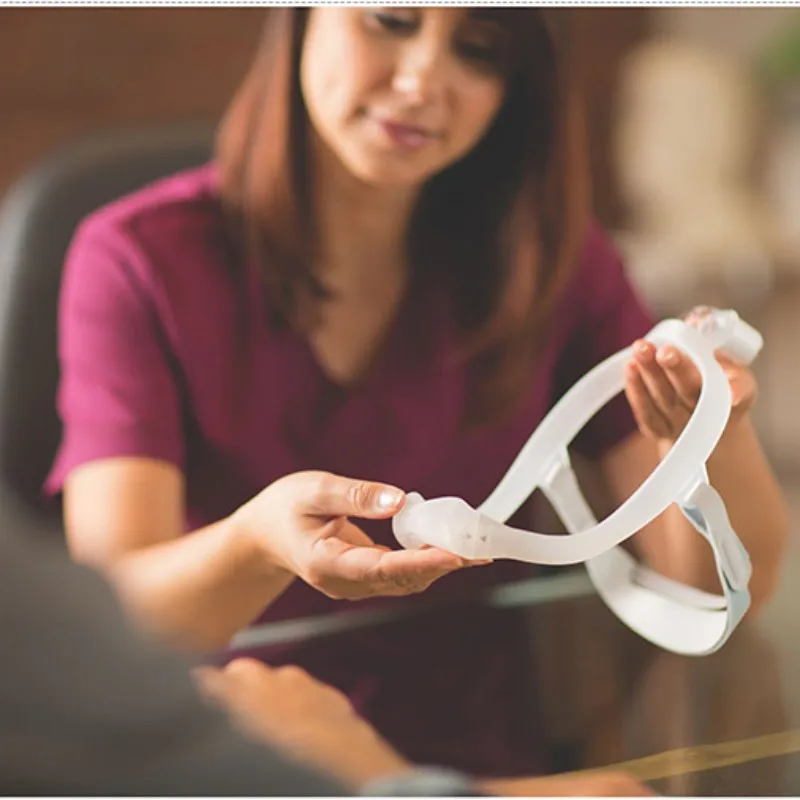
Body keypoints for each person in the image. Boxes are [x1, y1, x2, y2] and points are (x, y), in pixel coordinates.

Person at [44, 7, 789, 777]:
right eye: (391, 21)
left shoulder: (547, 262)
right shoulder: (138, 261)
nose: (423, 80)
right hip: (246, 760)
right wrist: (257, 543)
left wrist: (704, 437)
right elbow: (107, 627)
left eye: (479, 51)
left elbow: (721, 591)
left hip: (483, 762)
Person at [0, 485, 652, 797]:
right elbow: (113, 645)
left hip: (490, 739)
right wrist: (253, 540)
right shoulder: (135, 269)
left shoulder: (533, 263)